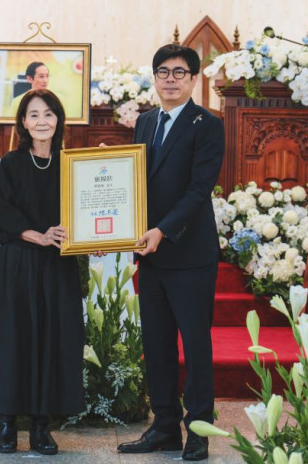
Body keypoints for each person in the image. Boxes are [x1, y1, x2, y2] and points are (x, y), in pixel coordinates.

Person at [116, 44, 224, 461]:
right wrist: (119, 231)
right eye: (163, 71)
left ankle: (197, 430)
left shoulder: (207, 124)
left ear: (194, 79)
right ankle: (163, 426)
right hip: (151, 254)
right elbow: (135, 183)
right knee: (157, 344)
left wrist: (162, 229)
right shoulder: (144, 122)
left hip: (189, 252)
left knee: (195, 345)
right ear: (155, 77)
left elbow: (200, 190)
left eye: (180, 72)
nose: (171, 79)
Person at [0, 88, 85, 455]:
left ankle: (42, 425)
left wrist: (92, 236)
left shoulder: (71, 164)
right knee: (14, 338)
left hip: (58, 265)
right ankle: (7, 422)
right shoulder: (11, 163)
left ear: (58, 120)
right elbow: (8, 214)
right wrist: (40, 236)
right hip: (19, 262)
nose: (41, 121)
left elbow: (85, 211)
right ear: (23, 123)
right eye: (33, 114)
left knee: (54, 339)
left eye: (48, 113)